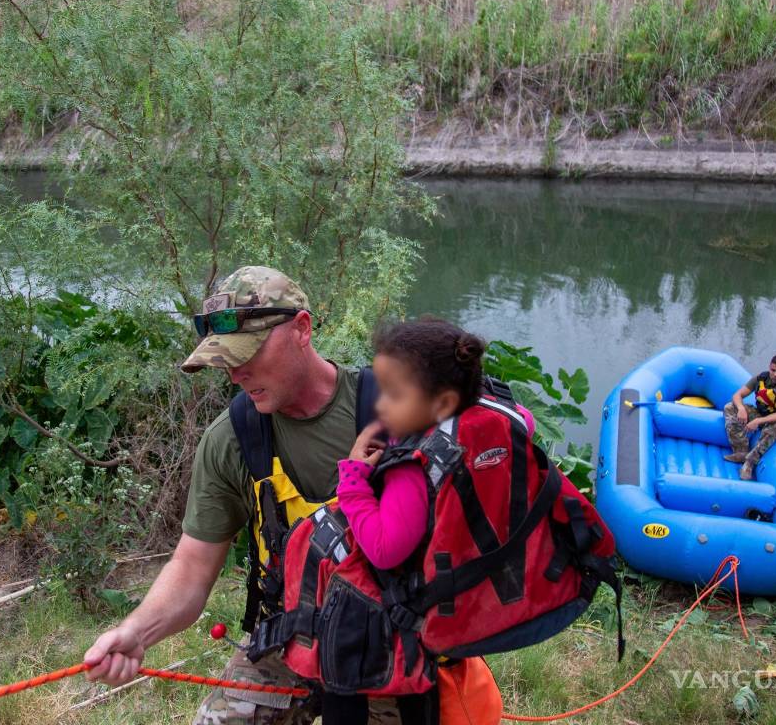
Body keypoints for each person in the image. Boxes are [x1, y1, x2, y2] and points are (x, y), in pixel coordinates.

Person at [83, 266, 406, 724]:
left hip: (391, 645)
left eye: (248, 354)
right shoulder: (231, 440)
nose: (236, 375)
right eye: (227, 361)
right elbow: (192, 567)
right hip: (290, 635)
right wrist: (137, 631)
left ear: (302, 329)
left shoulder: (392, 410)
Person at [320, 319, 491, 724]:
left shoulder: (412, 470)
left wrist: (353, 480)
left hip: (403, 629)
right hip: (455, 595)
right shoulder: (478, 427)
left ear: (443, 403)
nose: (379, 407)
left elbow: (384, 550)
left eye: (395, 395)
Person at [723, 354, 776, 481]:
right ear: (769, 368)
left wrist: (758, 421)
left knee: (772, 429)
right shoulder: (761, 379)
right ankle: (741, 450)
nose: (775, 374)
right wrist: (741, 409)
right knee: (730, 408)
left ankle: (749, 463)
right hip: (763, 413)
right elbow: (738, 395)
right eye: (773, 370)